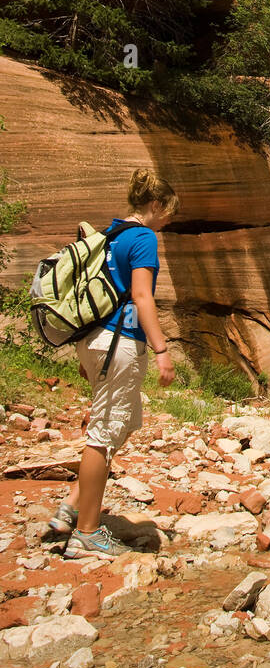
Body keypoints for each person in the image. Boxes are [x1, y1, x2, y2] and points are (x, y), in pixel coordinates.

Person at [49, 168, 178, 560]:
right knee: (104, 432)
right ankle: (87, 533)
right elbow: (141, 296)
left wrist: (84, 353)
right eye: (169, 211)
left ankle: (72, 505)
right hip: (120, 342)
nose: (170, 218)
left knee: (122, 422)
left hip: (94, 341)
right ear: (155, 205)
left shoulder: (108, 235)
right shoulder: (142, 237)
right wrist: (161, 349)